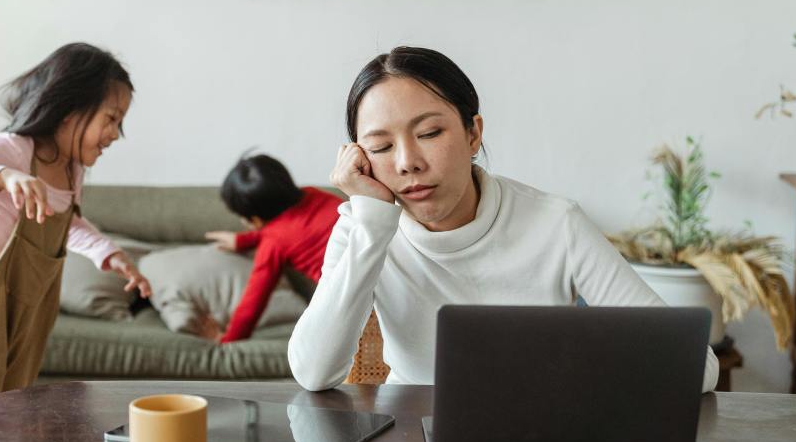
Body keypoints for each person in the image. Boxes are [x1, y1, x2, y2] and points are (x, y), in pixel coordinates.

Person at [288, 46, 719, 392]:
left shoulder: (556, 224)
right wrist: (372, 222)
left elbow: (697, 368)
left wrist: (576, 376)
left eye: (429, 133)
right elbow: (313, 373)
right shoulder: (364, 227)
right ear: (359, 158)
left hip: (539, 437)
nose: (407, 163)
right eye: (380, 147)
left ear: (473, 133)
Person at [0, 42, 152, 436]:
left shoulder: (71, 170)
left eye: (120, 123)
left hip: (24, 324)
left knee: (4, 430)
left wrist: (111, 254)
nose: (115, 134)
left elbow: (66, 223)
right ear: (70, 110)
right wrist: (3, 176)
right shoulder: (11, 151)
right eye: (110, 119)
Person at [204, 154, 342, 343]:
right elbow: (295, 227)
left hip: (346, 299)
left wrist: (228, 338)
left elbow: (253, 301)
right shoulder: (314, 194)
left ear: (255, 219)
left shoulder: (273, 244)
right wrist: (243, 241)